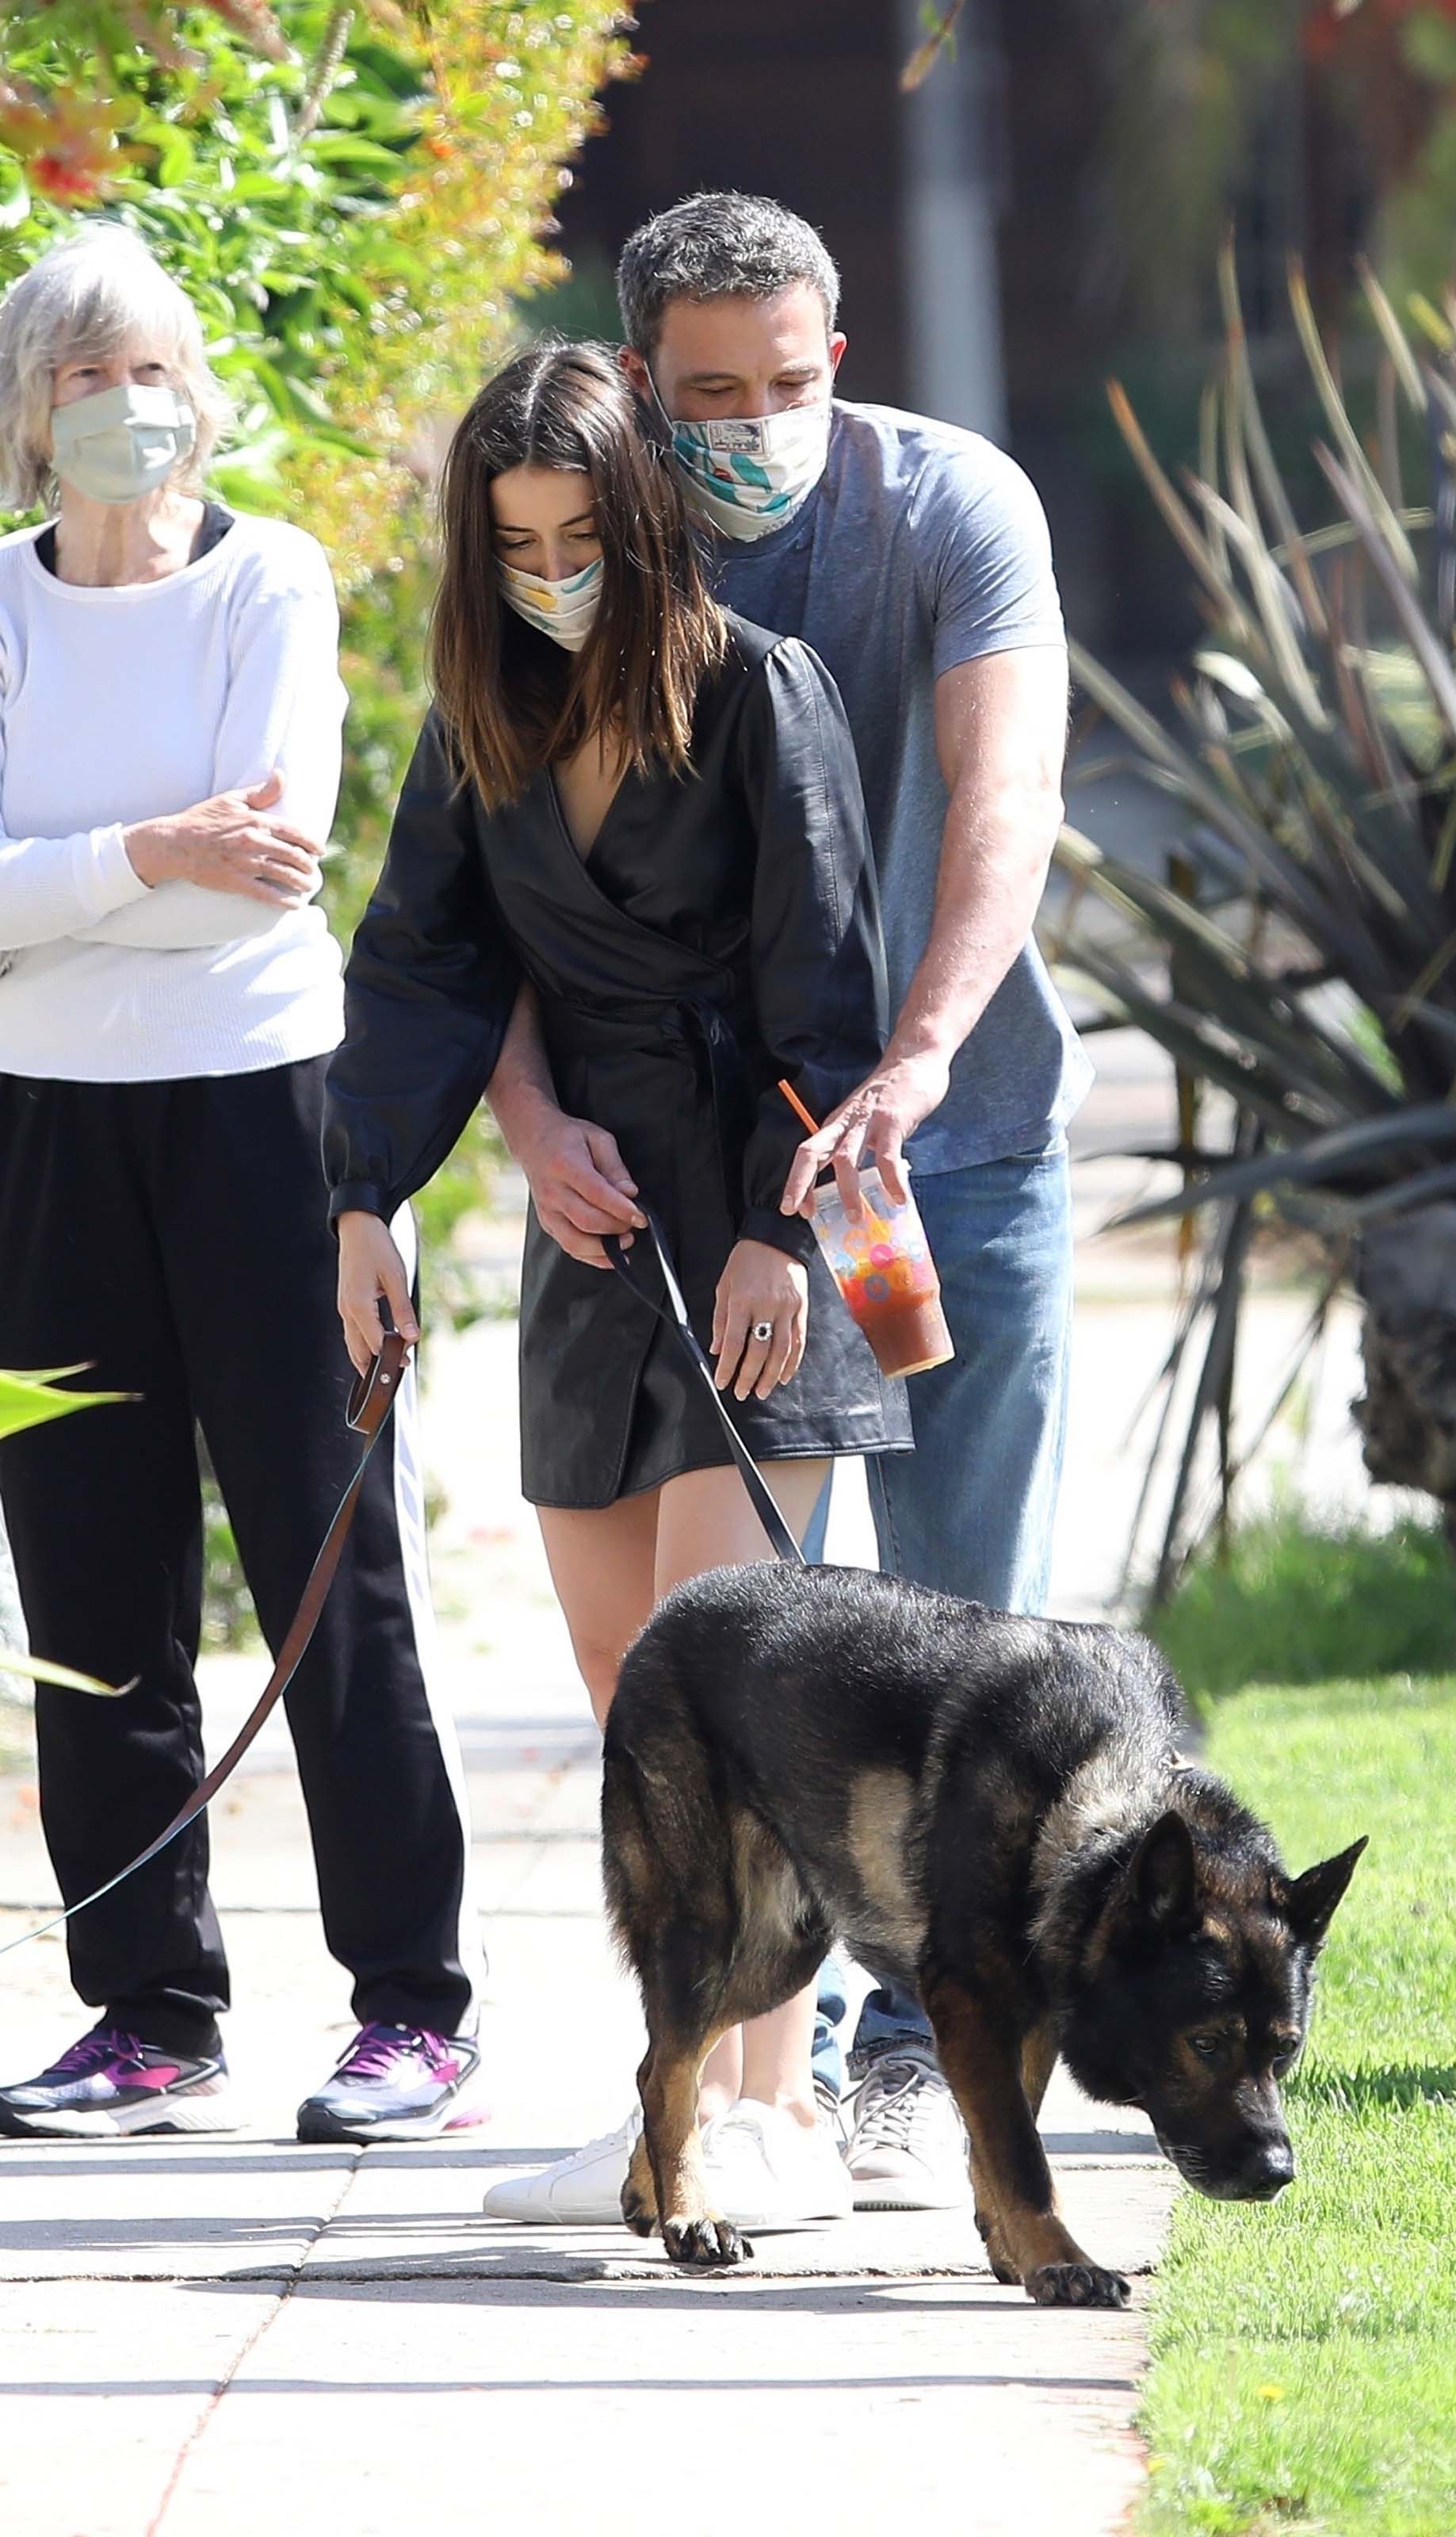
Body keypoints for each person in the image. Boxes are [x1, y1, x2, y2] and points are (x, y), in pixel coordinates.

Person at [487, 193, 1087, 2214]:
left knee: (970, 1640)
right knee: (758, 1653)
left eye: (793, 377)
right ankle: (784, 2079)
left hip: (951, 1151)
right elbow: (493, 874)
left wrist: (911, 1062)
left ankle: (932, 2048)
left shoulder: (945, 510)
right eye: (711, 388)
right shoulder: (598, 539)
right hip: (720, 1194)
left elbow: (1002, 800)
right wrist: (520, 1106)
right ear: (644, 379)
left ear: (843, 351)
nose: (756, 418)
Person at [325, 339, 908, 2233]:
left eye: (581, 534)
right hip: (592, 1233)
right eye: (513, 544)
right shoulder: (480, 714)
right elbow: (420, 961)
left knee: (731, 1694)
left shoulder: (758, 691)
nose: (550, 571)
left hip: (752, 1223)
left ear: (644, 518)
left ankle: (769, 2121)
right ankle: (679, 2106)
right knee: (620, 1694)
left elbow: (828, 981)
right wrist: (374, 1197)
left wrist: (778, 1225)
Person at [0, 224, 482, 2147]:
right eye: (89, 378)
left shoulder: (268, 578)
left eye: (159, 372)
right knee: (88, 1573)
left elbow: (272, 856)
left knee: (321, 1557)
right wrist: (144, 854)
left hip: (265, 1110)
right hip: (41, 1127)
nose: (134, 409)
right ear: (33, 418)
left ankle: (413, 2007)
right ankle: (147, 2012)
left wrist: (60, 878)